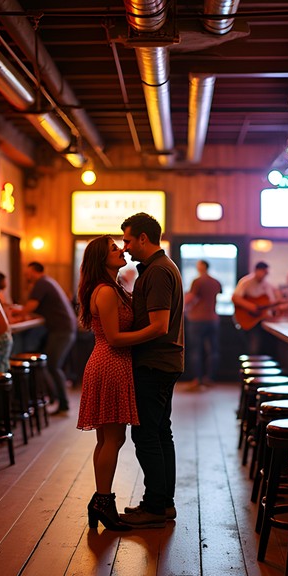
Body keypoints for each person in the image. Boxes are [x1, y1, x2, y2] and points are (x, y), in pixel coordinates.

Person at [76, 236, 164, 531]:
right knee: (111, 440)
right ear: (101, 259)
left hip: (109, 363)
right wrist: (153, 332)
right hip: (110, 363)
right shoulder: (106, 291)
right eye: (115, 249)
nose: (122, 250)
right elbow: (113, 338)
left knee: (110, 439)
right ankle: (103, 501)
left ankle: (100, 500)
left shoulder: (111, 287)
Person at [118, 212, 184, 529]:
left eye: (128, 240)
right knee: (160, 433)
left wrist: (121, 340)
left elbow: (159, 326)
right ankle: (161, 503)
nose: (126, 247)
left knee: (145, 434)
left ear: (144, 238)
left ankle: (156, 506)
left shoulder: (157, 272)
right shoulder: (160, 268)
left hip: (155, 362)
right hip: (164, 362)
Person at [20, 261, 77, 415]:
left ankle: (62, 404)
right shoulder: (47, 282)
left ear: (34, 271)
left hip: (62, 330)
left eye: (27, 271)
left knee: (53, 365)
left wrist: (13, 314)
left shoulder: (41, 283)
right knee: (51, 365)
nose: (26, 275)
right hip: (63, 329)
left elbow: (30, 307)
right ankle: (55, 400)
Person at [183, 259, 222, 389]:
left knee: (196, 350)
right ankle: (210, 378)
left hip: (197, 319)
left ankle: (197, 379)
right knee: (213, 350)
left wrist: (180, 305)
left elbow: (191, 298)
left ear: (202, 267)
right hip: (213, 318)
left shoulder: (198, 281)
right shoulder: (216, 282)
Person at [232, 261, 282, 355]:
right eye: (263, 272)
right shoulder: (246, 282)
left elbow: (269, 303)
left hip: (260, 321)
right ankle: (251, 366)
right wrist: (251, 306)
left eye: (266, 273)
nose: (264, 275)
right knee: (252, 348)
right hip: (247, 319)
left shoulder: (267, 285)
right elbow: (235, 298)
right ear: (256, 270)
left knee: (263, 348)